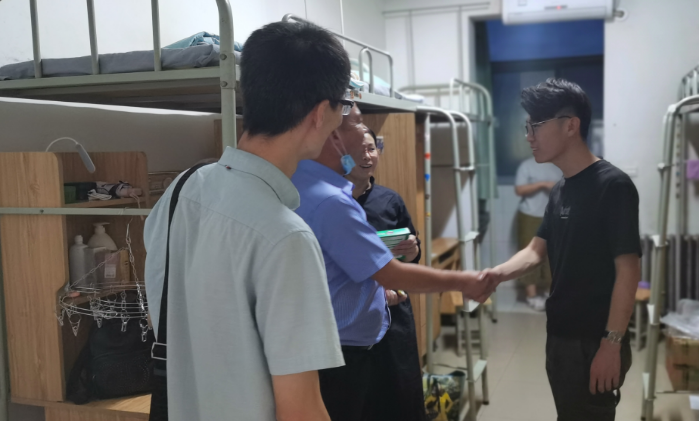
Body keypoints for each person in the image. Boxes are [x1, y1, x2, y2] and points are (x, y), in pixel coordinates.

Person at [143, 21, 354, 421]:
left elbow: (161, 317)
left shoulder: (181, 190)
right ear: (319, 113)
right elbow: (300, 410)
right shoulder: (286, 238)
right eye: (342, 106)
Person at [291, 103, 497, 421]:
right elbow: (391, 273)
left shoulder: (307, 185)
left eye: (371, 143)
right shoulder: (334, 203)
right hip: (342, 350)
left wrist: (405, 260)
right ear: (332, 135)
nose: (365, 143)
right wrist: (465, 281)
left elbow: (395, 261)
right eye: (356, 125)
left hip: (361, 332)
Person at [481, 78, 640, 421]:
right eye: (527, 127)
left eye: (535, 126)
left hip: (594, 340)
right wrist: (494, 275)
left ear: (570, 125)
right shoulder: (560, 190)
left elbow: (629, 271)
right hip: (560, 334)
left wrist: (611, 344)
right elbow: (536, 251)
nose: (529, 136)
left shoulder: (613, 186)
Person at [345, 128, 426, 421]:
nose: (367, 156)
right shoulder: (331, 205)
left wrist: (412, 251)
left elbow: (411, 260)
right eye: (359, 150)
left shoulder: (390, 200)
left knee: (399, 393)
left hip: (393, 318)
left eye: (372, 148)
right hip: (350, 320)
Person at [514, 156, 562, 311]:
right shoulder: (527, 165)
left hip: (554, 215)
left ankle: (550, 293)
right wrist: (542, 184)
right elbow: (519, 190)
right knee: (529, 254)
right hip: (530, 215)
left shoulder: (560, 164)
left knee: (553, 255)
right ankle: (532, 296)